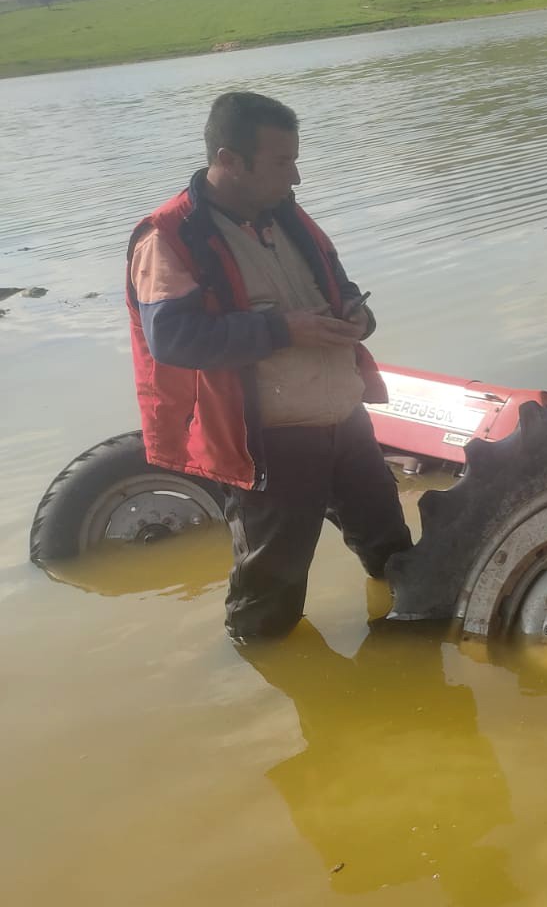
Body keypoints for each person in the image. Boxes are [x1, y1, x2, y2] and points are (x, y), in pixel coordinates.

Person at [125, 91, 412, 642]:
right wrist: (285, 329)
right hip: (270, 441)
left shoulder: (290, 218)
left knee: (392, 553)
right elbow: (175, 340)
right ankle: (258, 673)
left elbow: (345, 291)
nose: (297, 176)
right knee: (270, 592)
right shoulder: (169, 237)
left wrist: (358, 318)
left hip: (345, 423)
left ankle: (402, 656)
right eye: (283, 161)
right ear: (229, 160)